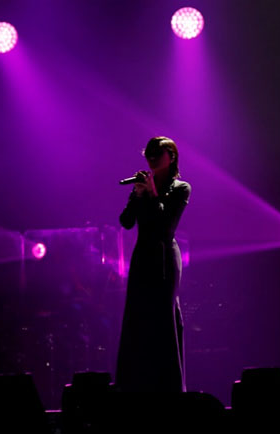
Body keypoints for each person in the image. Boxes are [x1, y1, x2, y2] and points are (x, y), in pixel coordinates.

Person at [115, 136, 191, 396]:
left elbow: (165, 226)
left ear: (171, 156)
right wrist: (138, 194)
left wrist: (152, 193)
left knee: (164, 316)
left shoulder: (181, 188)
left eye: (157, 154)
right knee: (137, 315)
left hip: (164, 256)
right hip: (142, 256)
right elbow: (126, 222)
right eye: (148, 155)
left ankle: (169, 387)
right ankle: (135, 385)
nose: (152, 159)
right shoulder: (143, 185)